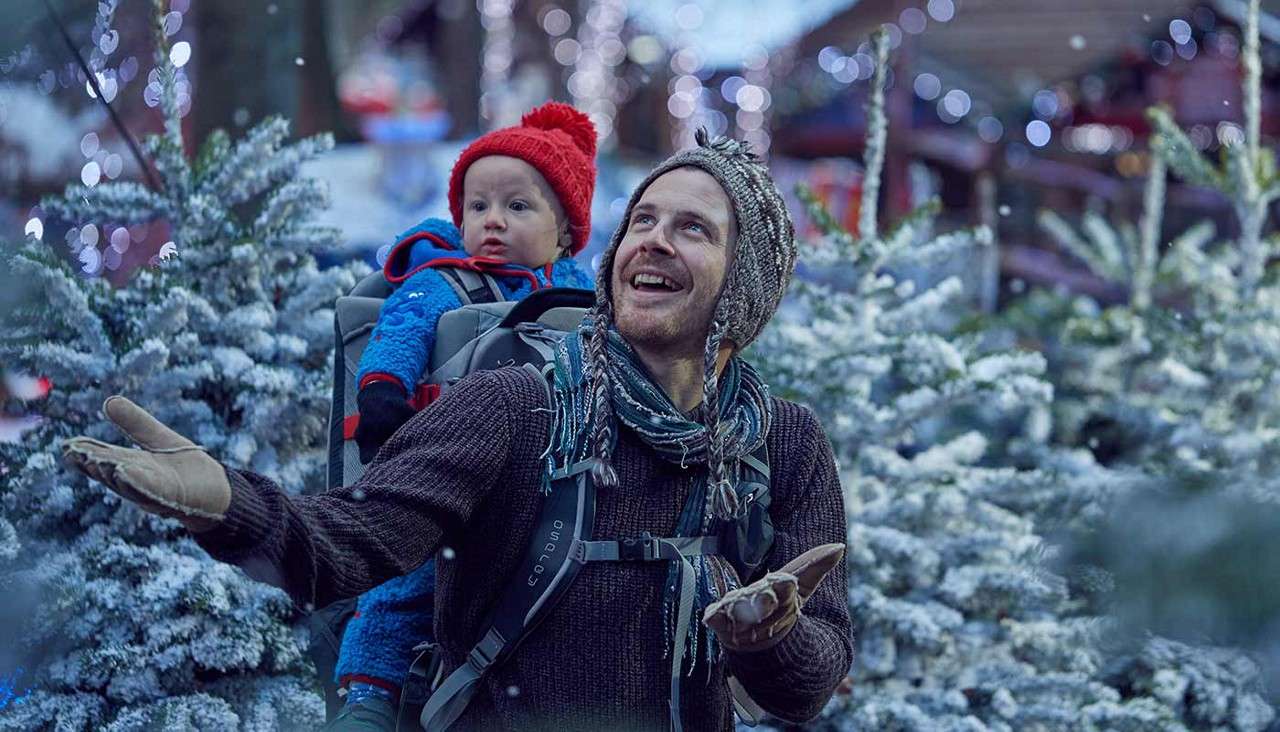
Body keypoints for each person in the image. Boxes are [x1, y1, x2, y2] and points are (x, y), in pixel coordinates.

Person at [63, 130, 854, 732]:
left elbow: (809, 685)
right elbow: (351, 542)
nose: (651, 239)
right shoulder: (515, 405)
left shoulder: (783, 443)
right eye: (642, 219)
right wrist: (227, 503)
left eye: (693, 229)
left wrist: (769, 636)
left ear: (744, 285)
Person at [338, 102, 598, 726]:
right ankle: (368, 694)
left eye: (518, 207)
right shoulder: (442, 281)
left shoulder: (581, 294)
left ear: (564, 229)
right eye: (478, 206)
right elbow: (398, 332)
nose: (493, 221)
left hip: (536, 484)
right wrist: (383, 391)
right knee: (402, 578)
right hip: (435, 466)